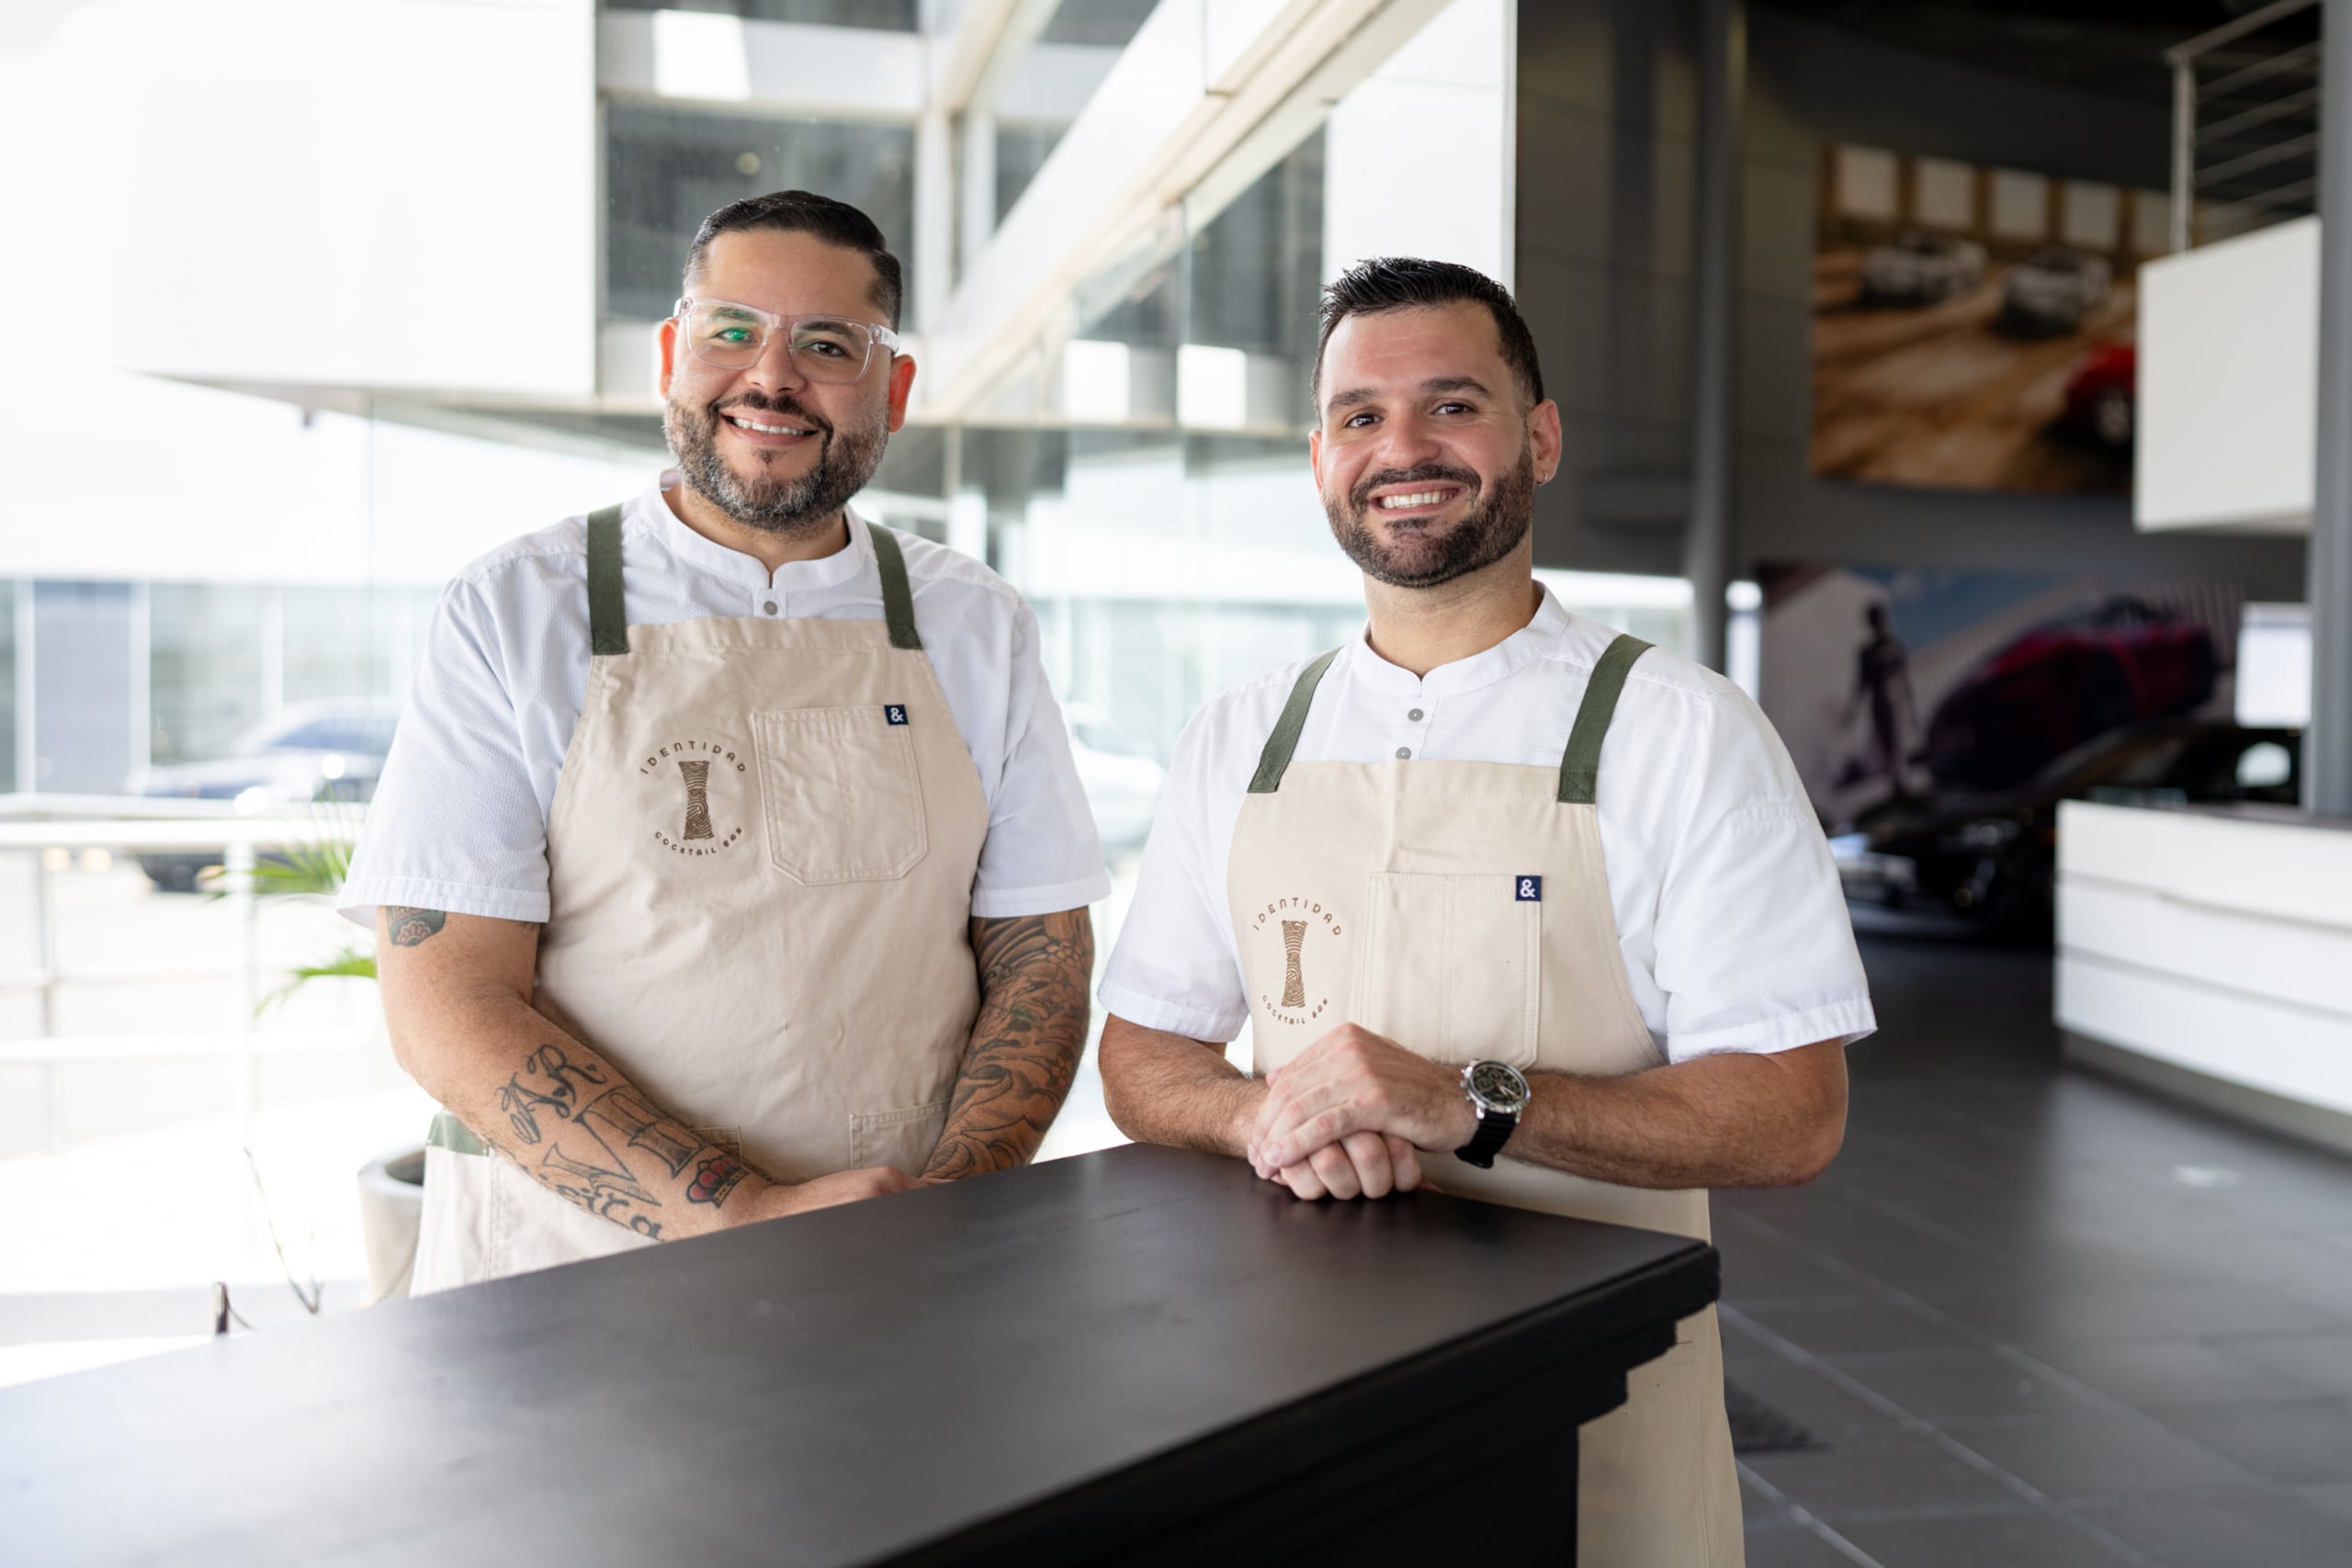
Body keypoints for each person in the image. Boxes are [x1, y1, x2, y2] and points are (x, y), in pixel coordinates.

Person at [1095, 257, 1873, 1566]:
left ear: (1541, 436)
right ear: (1320, 455)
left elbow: (1794, 1111)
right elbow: (1143, 1054)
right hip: (1293, 1382)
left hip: (1589, 1399)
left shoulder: (1679, 732)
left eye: (1451, 405)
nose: (1401, 448)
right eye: (1360, 415)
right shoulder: (1242, 734)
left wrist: (1469, 1097)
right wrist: (1263, 1112)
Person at [340, 191, 1108, 1292]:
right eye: (731, 331)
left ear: (892, 389)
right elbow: (445, 996)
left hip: (888, 1263)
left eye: (828, 344)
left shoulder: (975, 622)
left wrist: (946, 1208)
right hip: (567, 1280)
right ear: (672, 354)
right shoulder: (515, 610)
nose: (771, 377)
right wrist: (745, 1212)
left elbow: (1041, 950)